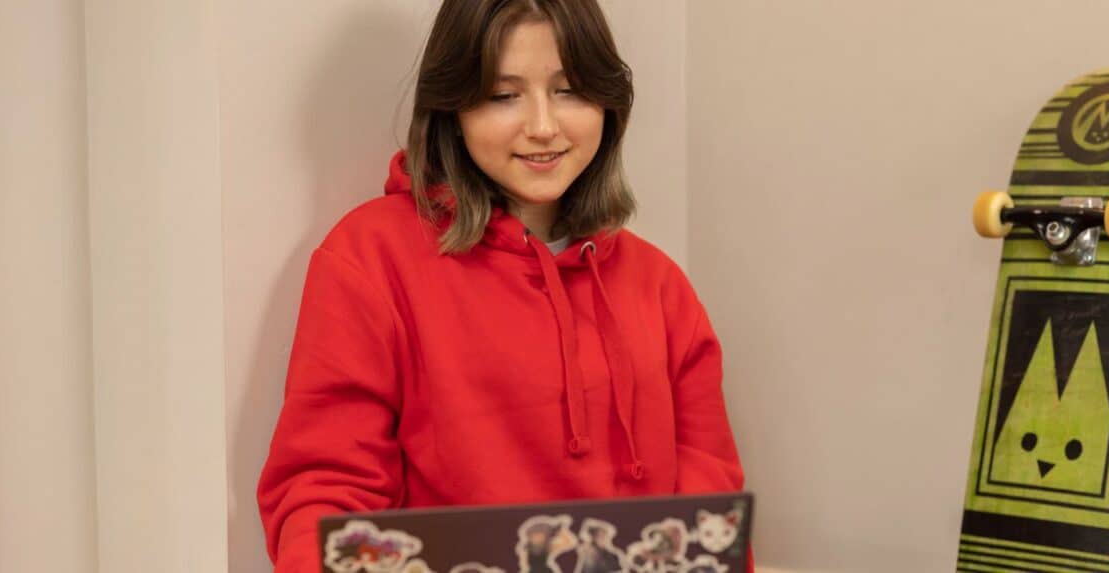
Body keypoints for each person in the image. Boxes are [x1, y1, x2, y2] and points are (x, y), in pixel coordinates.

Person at [256, 1, 746, 571]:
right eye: (502, 94)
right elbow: (324, 498)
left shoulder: (661, 288)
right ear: (453, 107)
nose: (543, 126)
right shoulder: (370, 259)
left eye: (569, 90)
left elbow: (710, 515)